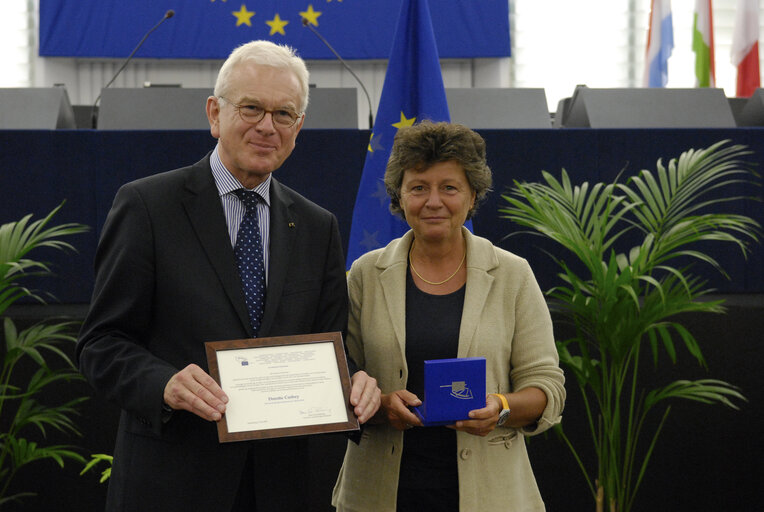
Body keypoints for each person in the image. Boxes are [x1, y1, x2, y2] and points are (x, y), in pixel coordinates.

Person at [76, 40, 380, 512]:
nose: (267, 126)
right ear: (215, 113)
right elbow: (101, 343)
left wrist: (357, 380)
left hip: (279, 486)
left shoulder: (317, 226)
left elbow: (329, 346)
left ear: (298, 128)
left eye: (284, 114)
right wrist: (164, 383)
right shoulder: (147, 207)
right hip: (171, 483)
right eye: (252, 108)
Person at [332, 121, 566, 512]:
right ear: (399, 196)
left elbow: (547, 387)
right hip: (377, 493)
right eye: (419, 187)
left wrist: (501, 407)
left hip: (492, 494)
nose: (433, 201)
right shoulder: (365, 275)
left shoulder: (512, 274)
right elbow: (342, 377)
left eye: (450, 187)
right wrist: (382, 403)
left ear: (473, 196)